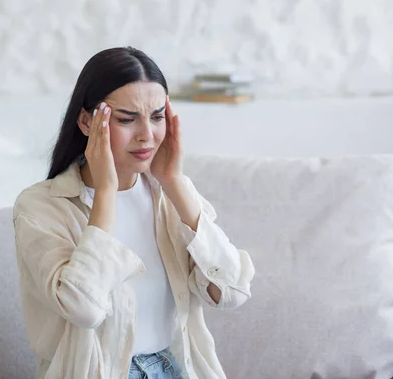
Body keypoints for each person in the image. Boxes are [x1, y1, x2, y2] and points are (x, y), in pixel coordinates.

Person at [13, 46, 256, 379]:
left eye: (157, 117)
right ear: (86, 121)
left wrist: (173, 181)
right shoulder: (40, 207)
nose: (146, 135)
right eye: (127, 119)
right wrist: (106, 192)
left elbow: (231, 292)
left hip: (177, 368)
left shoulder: (169, 196)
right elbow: (83, 308)